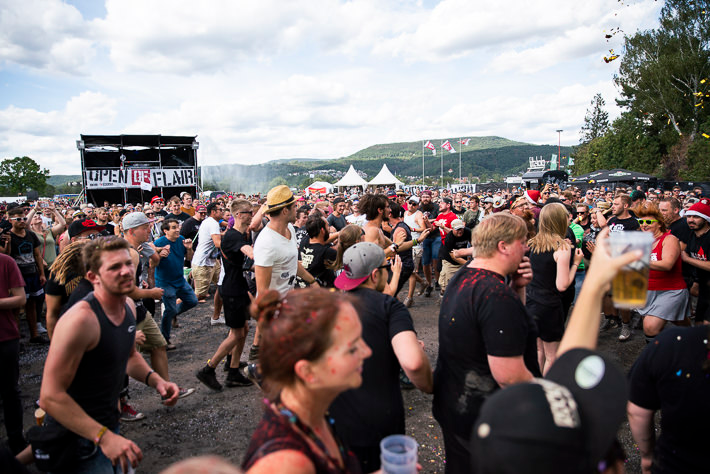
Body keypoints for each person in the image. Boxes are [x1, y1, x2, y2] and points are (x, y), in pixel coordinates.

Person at [38, 237, 180, 473]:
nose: (126, 271)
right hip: (78, 437)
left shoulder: (127, 306)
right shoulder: (80, 320)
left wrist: (157, 381)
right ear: (93, 277)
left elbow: (130, 356)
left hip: (107, 425)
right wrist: (103, 437)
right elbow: (50, 397)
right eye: (114, 267)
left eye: (128, 263)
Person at [433, 213, 540, 473]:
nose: (527, 248)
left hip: (456, 405)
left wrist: (518, 287)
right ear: (503, 246)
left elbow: (501, 332)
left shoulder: (465, 275)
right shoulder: (495, 295)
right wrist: (551, 401)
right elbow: (510, 377)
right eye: (523, 242)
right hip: (485, 416)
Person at [241, 287, 370, 473]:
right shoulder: (287, 465)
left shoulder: (311, 413)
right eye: (352, 348)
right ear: (307, 372)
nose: (367, 351)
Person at [329, 242, 432, 472]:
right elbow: (413, 363)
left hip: (335, 418)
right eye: (386, 269)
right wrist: (430, 385)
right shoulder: (390, 307)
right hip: (380, 420)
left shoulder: (329, 306)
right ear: (375, 275)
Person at [247, 186, 319, 378]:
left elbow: (293, 264)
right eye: (294, 206)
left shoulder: (289, 230)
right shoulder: (267, 243)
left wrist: (312, 281)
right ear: (285, 210)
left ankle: (263, 371)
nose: (298, 209)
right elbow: (263, 292)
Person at [196, 199, 255, 390]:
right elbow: (250, 254)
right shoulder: (233, 236)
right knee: (237, 332)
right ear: (238, 215)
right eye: (248, 212)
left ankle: (233, 370)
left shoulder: (240, 234)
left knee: (243, 329)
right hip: (231, 289)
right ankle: (209, 369)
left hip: (238, 286)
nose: (251, 215)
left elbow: (244, 263)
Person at [526, 203, 583, 373]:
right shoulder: (562, 247)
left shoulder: (534, 243)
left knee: (538, 351)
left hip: (532, 302)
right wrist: (575, 263)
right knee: (552, 357)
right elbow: (562, 285)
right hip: (549, 306)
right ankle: (547, 388)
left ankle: (536, 384)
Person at [634, 203, 690, 342]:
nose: (644, 225)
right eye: (641, 222)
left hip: (670, 290)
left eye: (648, 222)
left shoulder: (669, 239)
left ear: (659, 224)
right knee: (679, 321)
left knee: (650, 326)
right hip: (649, 290)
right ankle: (695, 340)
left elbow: (667, 264)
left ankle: (657, 355)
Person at [154, 219, 198, 346]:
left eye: (178, 227)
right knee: (169, 309)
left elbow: (189, 258)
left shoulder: (181, 239)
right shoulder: (159, 243)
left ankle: (173, 313)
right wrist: (159, 254)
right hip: (165, 282)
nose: (178, 229)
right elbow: (152, 263)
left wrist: (189, 249)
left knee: (192, 301)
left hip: (179, 279)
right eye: (174, 227)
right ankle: (165, 340)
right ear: (165, 231)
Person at [4, 206, 46, 343]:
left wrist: (41, 273)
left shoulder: (30, 234)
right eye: (18, 219)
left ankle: (34, 335)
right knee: (16, 309)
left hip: (32, 273)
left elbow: (37, 255)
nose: (22, 221)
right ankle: (16, 339)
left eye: (23, 218)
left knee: (32, 305)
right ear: (10, 220)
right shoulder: (8, 236)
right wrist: (8, 243)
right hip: (17, 276)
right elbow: (6, 256)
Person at [0, 252, 27, 455]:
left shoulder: (6, 262)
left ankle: (17, 441)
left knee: (10, 392)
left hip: (5, 338)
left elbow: (21, 299)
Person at [680, 198, 710, 324]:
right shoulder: (692, 235)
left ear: (706, 219)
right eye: (689, 216)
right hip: (704, 289)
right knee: (699, 325)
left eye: (696, 217)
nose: (691, 220)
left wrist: (687, 259)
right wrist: (697, 282)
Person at [191, 202, 224, 304]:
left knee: (223, 284)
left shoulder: (209, 221)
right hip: (203, 263)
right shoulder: (213, 223)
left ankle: (219, 312)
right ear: (213, 212)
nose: (222, 212)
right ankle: (171, 306)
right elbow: (217, 243)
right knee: (198, 296)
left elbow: (216, 236)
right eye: (220, 210)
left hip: (211, 261)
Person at [299, 216, 337, 288]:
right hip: (320, 291)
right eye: (327, 226)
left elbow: (321, 240)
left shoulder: (304, 241)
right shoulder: (327, 252)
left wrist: (338, 234)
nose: (329, 228)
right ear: (322, 230)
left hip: (302, 287)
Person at [437, 219, 471, 296]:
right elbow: (454, 257)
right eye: (457, 229)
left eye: (461, 229)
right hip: (450, 261)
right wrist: (468, 264)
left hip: (463, 259)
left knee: (464, 284)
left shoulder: (467, 232)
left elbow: (474, 244)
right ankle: (443, 296)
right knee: (446, 285)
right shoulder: (449, 238)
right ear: (452, 229)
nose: (460, 231)